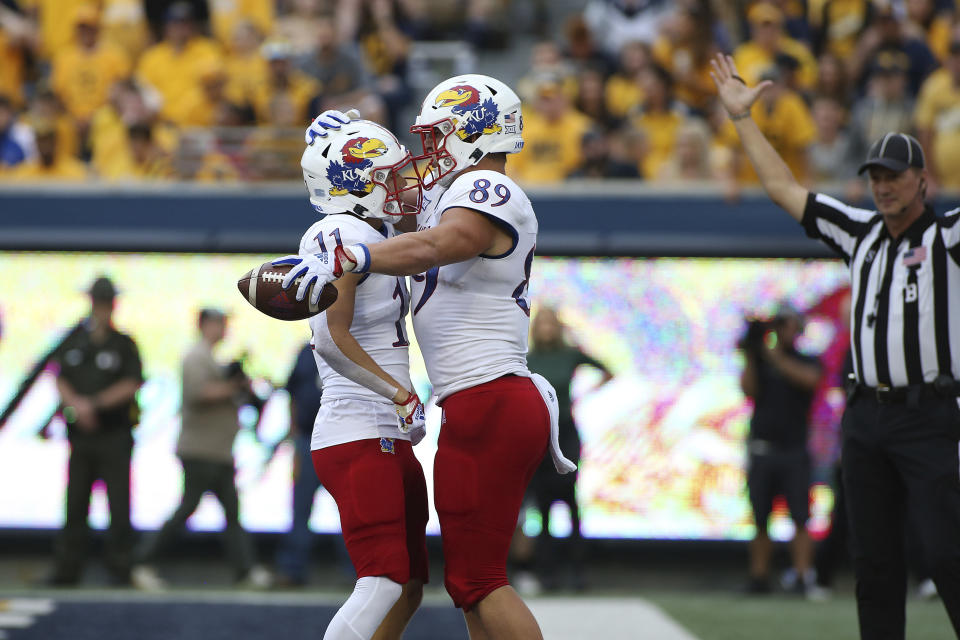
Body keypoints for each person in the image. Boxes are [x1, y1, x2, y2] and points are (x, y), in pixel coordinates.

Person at [280, 74, 577, 640]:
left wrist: (352, 255)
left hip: (490, 393)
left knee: (482, 580)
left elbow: (436, 245)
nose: (429, 154)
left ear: (474, 131)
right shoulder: (455, 197)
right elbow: (401, 228)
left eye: (439, 135)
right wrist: (340, 147)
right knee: (469, 584)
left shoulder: (489, 190)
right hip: (480, 399)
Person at [712, 52, 960, 639]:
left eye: (894, 177)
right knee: (872, 560)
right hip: (865, 415)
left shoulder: (948, 236)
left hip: (927, 413)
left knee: (947, 549)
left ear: (921, 180)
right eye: (875, 177)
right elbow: (781, 187)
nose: (882, 187)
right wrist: (743, 120)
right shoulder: (860, 233)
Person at [277, 118, 429, 639]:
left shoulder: (369, 233)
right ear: (356, 180)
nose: (401, 184)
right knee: (384, 579)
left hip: (385, 429)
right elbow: (328, 336)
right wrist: (400, 393)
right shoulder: (338, 232)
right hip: (358, 425)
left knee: (408, 585)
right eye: (388, 174)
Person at [131, 308, 268, 590]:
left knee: (229, 511)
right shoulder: (195, 357)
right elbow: (199, 393)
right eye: (219, 323)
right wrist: (233, 386)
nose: (224, 329)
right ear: (205, 325)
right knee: (189, 508)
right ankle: (141, 562)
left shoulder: (212, 360)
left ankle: (244, 571)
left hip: (218, 450)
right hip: (201, 450)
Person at [47, 276, 143, 586]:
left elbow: (131, 383)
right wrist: (76, 406)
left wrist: (95, 404)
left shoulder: (124, 344)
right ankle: (67, 569)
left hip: (114, 435)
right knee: (75, 504)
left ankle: (120, 567)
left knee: (118, 504)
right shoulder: (74, 341)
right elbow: (60, 377)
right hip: (81, 437)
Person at [523, 306, 612, 592]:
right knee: (544, 506)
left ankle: (578, 572)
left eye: (552, 323)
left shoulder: (570, 355)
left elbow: (607, 370)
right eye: (543, 323)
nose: (547, 328)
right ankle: (547, 574)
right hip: (539, 435)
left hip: (567, 434)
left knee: (570, 502)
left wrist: (585, 395)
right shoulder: (528, 358)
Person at [738, 303, 822, 595]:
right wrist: (752, 353)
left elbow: (810, 381)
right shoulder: (761, 363)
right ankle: (759, 577)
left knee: (800, 517)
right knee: (760, 518)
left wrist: (774, 358)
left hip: (794, 450)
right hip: (763, 450)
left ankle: (802, 576)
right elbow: (748, 391)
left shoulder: (807, 360)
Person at [273, 342, 325, 588]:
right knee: (300, 509)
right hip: (307, 440)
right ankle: (292, 570)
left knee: (354, 510)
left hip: (344, 438)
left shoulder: (356, 344)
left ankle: (364, 573)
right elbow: (293, 394)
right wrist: (293, 438)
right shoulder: (307, 352)